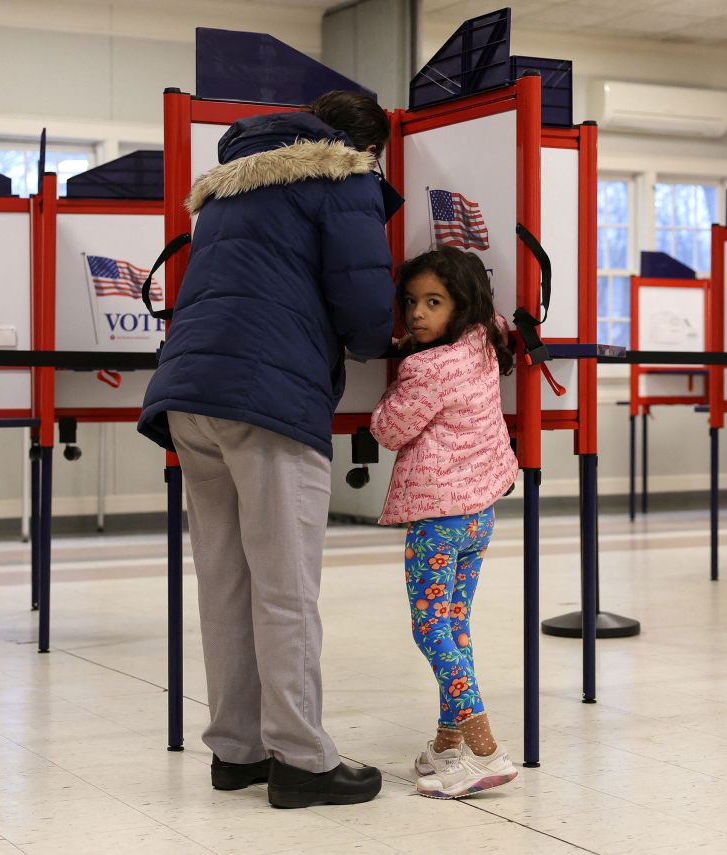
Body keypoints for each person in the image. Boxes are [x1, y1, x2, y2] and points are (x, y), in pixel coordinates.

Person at [138, 90, 395, 809]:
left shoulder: (232, 184)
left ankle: (238, 749)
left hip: (189, 391)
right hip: (267, 397)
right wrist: (393, 341)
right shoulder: (343, 176)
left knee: (225, 582)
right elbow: (366, 307)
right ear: (363, 144)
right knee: (285, 588)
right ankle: (303, 760)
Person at [369, 246, 520, 799]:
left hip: (437, 518)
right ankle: (447, 743)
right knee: (454, 624)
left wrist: (397, 374)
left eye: (433, 302)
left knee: (429, 627)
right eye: (411, 302)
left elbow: (388, 430)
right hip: (480, 514)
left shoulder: (425, 367)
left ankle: (483, 749)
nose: (416, 314)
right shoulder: (486, 337)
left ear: (459, 306)